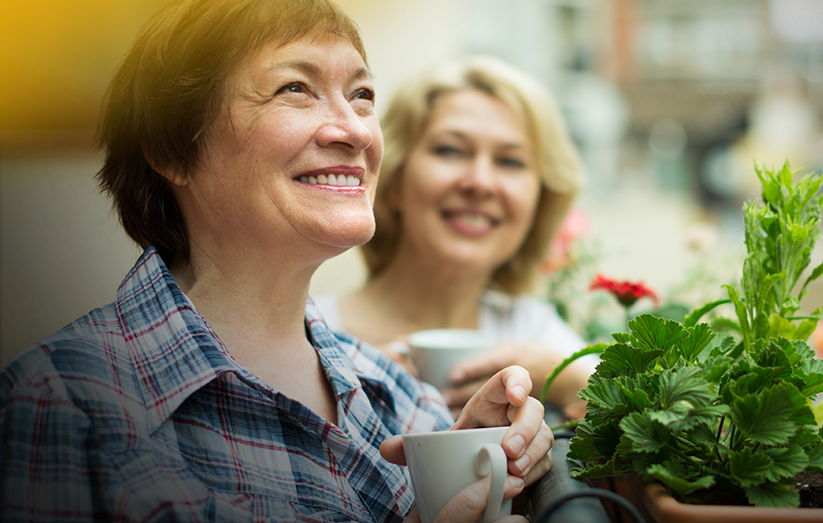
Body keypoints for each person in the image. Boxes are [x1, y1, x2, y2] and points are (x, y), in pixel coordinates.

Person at [0, 1, 551, 522]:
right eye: (296, 88)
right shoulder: (61, 401)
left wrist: (475, 460)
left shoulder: (402, 396)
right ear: (171, 149)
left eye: (362, 94)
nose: (357, 130)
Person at [314, 56, 594, 419]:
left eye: (510, 162)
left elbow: (660, 426)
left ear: (538, 201)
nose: (480, 182)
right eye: (449, 150)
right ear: (393, 180)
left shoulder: (534, 332)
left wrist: (562, 376)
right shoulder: (312, 331)